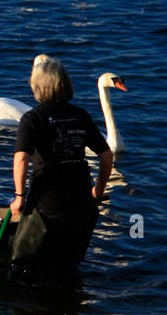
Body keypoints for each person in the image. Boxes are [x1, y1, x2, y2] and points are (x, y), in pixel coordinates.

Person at [8, 56, 113, 276]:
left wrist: (19, 197)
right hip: (81, 203)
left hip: (48, 206)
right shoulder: (80, 115)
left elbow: (21, 159)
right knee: (67, 267)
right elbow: (105, 155)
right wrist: (99, 190)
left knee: (25, 268)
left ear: (38, 87)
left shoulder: (32, 118)